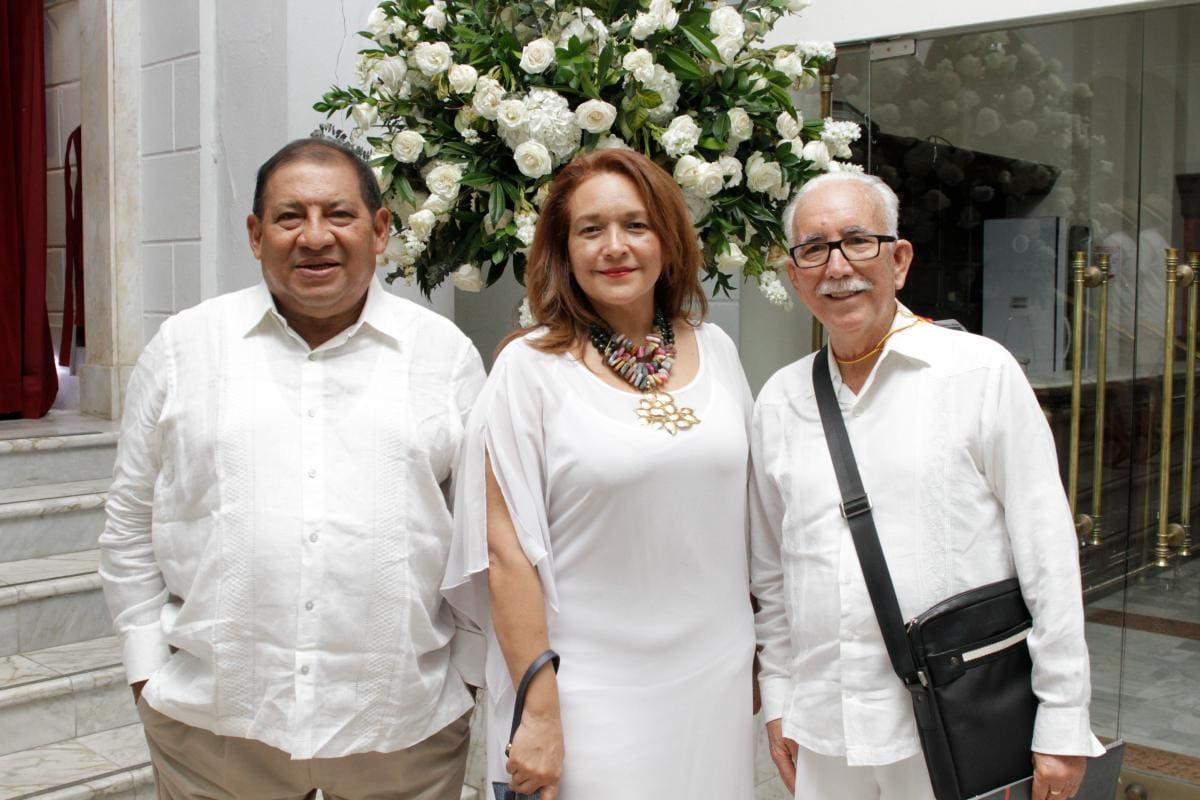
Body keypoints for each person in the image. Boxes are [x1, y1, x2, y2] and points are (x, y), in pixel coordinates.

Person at [98, 137, 486, 800]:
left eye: (339, 215)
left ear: (380, 228)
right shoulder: (185, 350)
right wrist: (145, 672)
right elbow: (131, 520)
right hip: (215, 733)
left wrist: (469, 675)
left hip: (401, 730)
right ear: (255, 235)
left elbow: (479, 536)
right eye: (288, 217)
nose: (314, 238)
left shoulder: (442, 357)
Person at [750, 172, 1105, 800]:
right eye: (814, 249)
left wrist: (1062, 720)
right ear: (794, 272)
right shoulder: (780, 400)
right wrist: (780, 697)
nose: (838, 267)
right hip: (825, 731)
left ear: (900, 258)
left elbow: (1047, 555)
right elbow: (772, 573)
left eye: (859, 241)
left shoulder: (977, 372)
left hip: (957, 723)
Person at [443, 149, 756, 800]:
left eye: (636, 225)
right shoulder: (528, 370)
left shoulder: (718, 351)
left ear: (668, 239)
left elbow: (748, 518)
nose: (615, 247)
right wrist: (538, 706)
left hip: (713, 680)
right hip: (584, 690)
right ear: (563, 250)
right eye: (590, 230)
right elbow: (507, 554)